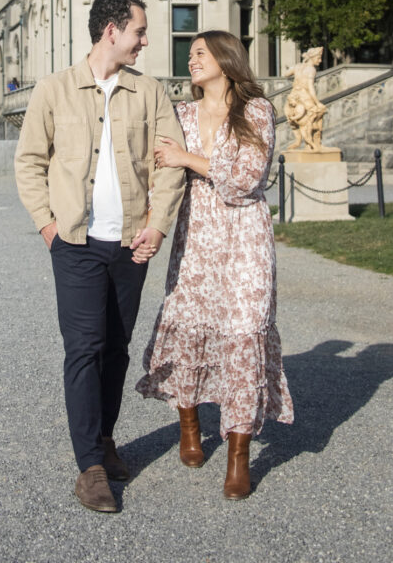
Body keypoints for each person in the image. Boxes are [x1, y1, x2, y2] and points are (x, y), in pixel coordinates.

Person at [15, 0, 186, 513]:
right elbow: (28, 163)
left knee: (116, 348)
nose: (146, 40)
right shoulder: (55, 90)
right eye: (139, 30)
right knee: (84, 348)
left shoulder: (150, 92)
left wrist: (157, 227)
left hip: (132, 243)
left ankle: (105, 439)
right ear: (112, 30)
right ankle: (90, 467)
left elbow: (170, 165)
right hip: (76, 243)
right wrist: (47, 226)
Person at [136, 30, 293, 499]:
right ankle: (189, 425)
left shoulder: (256, 110)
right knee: (189, 324)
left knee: (244, 332)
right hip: (195, 235)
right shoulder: (180, 113)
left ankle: (239, 455)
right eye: (189, 54)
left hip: (244, 236)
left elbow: (247, 178)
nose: (191, 60)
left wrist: (186, 157)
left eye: (200, 53)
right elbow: (158, 173)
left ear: (226, 59)